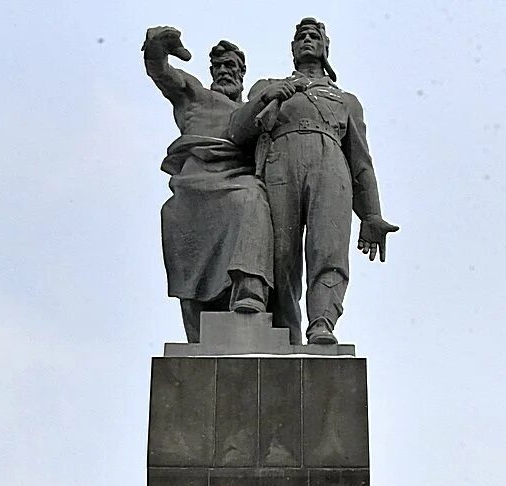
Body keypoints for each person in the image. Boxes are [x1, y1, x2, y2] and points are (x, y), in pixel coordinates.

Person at [231, 18, 398, 345]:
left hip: (331, 165)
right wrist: (266, 98)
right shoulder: (267, 85)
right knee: (280, 254)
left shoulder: (346, 101)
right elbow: (238, 131)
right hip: (280, 164)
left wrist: (371, 215)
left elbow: (361, 161)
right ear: (293, 50)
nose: (307, 40)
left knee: (329, 247)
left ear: (325, 48)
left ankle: (322, 322)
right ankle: (284, 332)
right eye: (301, 37)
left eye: (314, 36)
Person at [143, 26, 273, 343]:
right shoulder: (195, 95)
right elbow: (160, 72)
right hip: (195, 183)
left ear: (243, 73)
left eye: (232, 66)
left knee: (251, 198)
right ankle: (199, 314)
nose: (225, 71)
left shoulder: (253, 110)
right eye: (220, 66)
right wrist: (156, 47)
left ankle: (249, 290)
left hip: (240, 180)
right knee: (177, 215)